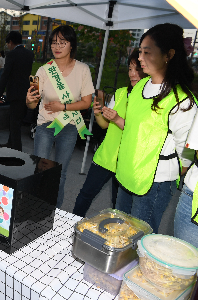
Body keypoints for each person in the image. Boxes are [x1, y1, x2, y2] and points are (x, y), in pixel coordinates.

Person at [104, 23, 197, 233]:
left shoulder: (181, 101)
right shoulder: (139, 89)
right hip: (127, 173)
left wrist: (173, 170)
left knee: (140, 237)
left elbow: (188, 149)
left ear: (169, 55)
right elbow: (133, 130)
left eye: (147, 52)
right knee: (119, 231)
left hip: (155, 182)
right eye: (140, 52)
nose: (140, 58)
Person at [26, 25, 94, 208]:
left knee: (60, 173)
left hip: (70, 126)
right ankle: (36, 207)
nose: (57, 46)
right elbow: (33, 104)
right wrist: (29, 100)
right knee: (40, 169)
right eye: (54, 42)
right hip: (45, 125)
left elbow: (86, 102)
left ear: (71, 45)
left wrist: (62, 106)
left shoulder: (82, 70)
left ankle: (54, 210)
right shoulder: (44, 70)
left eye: (62, 42)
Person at [72, 50, 146, 217]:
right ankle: (71, 227)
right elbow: (105, 125)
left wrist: (119, 119)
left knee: (118, 208)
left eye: (137, 69)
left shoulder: (149, 101)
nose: (133, 74)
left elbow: (144, 134)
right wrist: (98, 112)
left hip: (127, 164)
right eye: (130, 69)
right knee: (85, 195)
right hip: (105, 157)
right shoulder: (120, 93)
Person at [0, 31, 34, 151]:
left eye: (7, 43)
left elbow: (5, 75)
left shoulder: (11, 55)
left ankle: (17, 149)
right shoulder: (29, 54)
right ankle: (10, 142)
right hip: (26, 92)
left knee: (14, 123)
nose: (7, 46)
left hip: (15, 93)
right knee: (16, 119)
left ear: (11, 42)